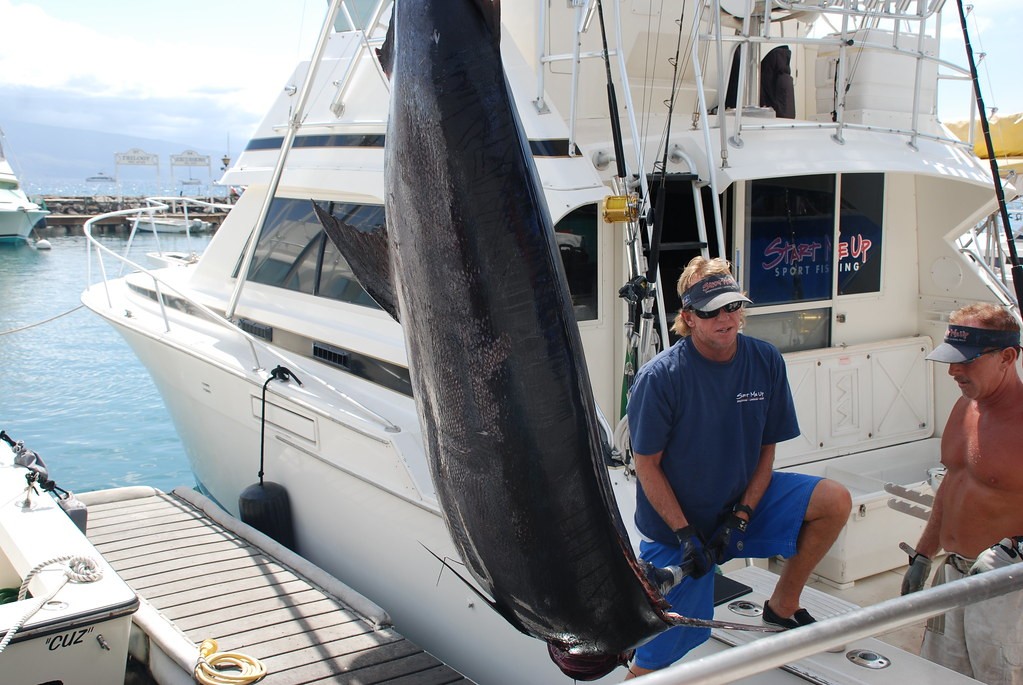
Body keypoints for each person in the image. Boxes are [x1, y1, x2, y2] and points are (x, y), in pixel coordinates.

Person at [625, 256, 852, 678]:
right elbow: (647, 466)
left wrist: (743, 515)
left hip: (739, 507)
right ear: (689, 318)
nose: (726, 319)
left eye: (733, 306)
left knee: (834, 501)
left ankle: (783, 606)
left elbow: (767, 449)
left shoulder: (765, 360)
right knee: (655, 658)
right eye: (712, 311)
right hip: (680, 530)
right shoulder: (660, 378)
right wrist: (687, 536)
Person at [901, 302, 1023, 685]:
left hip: (1006, 589)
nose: (954, 371)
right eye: (951, 359)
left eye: (966, 360)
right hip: (952, 573)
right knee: (938, 675)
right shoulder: (964, 407)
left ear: (1007, 357)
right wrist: (923, 553)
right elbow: (951, 488)